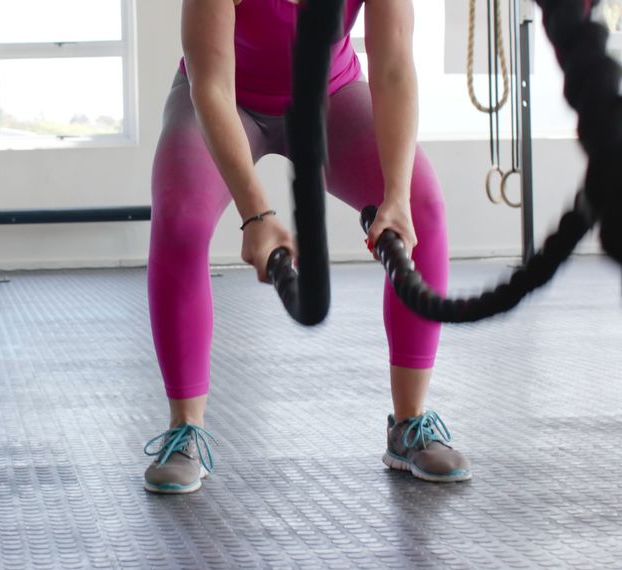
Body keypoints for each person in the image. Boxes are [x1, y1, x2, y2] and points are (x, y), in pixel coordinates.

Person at [143, 0, 471, 493]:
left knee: (421, 208)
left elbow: (395, 67)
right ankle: (185, 430)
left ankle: (409, 424)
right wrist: (256, 213)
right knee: (181, 218)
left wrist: (397, 198)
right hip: (223, 98)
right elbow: (210, 85)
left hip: (330, 96)